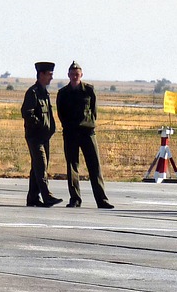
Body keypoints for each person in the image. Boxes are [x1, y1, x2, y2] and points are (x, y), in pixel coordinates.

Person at [56, 61, 115, 209]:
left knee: (95, 166)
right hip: (71, 133)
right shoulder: (63, 93)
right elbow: (61, 114)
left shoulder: (89, 90)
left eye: (77, 74)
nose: (75, 76)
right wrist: (69, 126)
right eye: (72, 74)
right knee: (72, 166)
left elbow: (94, 111)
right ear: (68, 75)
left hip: (87, 133)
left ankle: (101, 199)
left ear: (81, 75)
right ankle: (75, 199)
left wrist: (88, 124)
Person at [21, 61, 63, 207]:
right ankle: (47, 196)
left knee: (37, 168)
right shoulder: (32, 93)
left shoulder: (45, 93)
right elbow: (27, 113)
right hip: (35, 137)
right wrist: (40, 126)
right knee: (41, 166)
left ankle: (33, 197)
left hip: (45, 137)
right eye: (49, 75)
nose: (51, 78)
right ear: (41, 75)